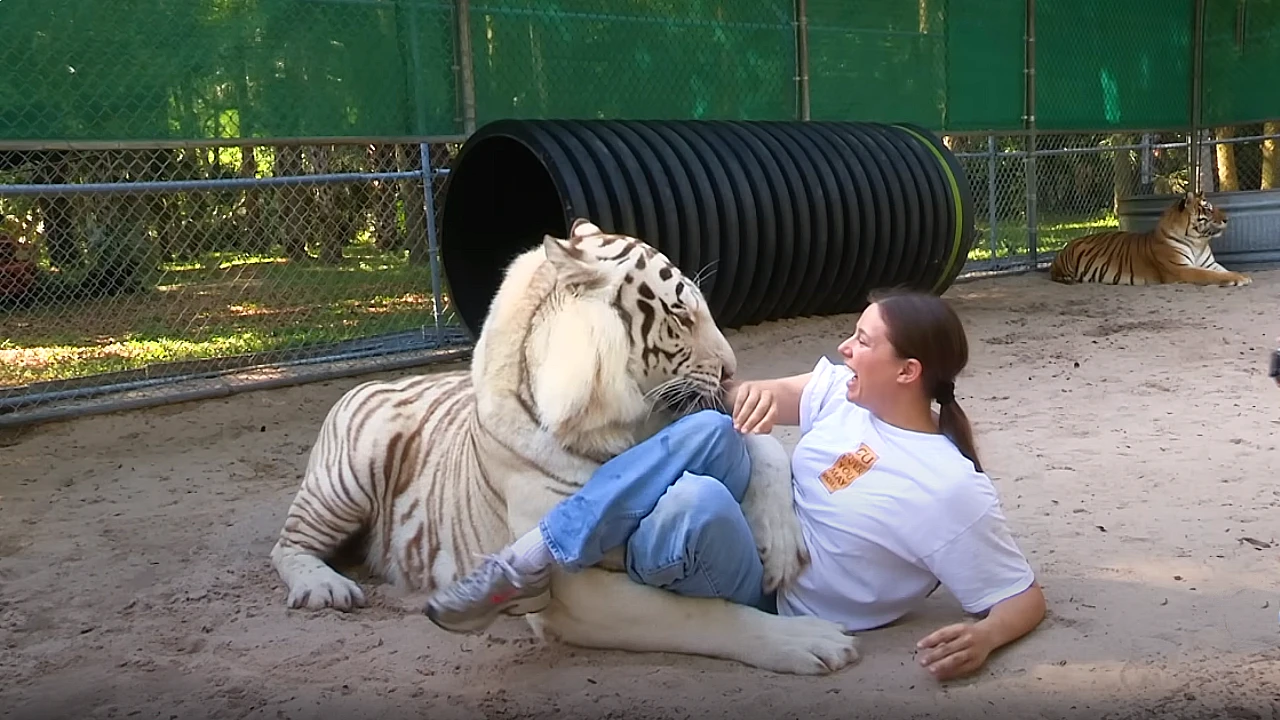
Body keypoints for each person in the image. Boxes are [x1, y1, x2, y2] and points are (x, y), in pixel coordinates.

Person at [425, 289, 1046, 681]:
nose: (844, 347)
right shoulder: (845, 395)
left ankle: (574, 543)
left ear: (908, 371)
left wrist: (986, 637)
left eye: (862, 341)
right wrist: (752, 398)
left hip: (772, 593)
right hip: (759, 520)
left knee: (695, 503)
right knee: (715, 428)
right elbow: (770, 396)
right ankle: (529, 558)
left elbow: (1021, 596)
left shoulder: (946, 487)